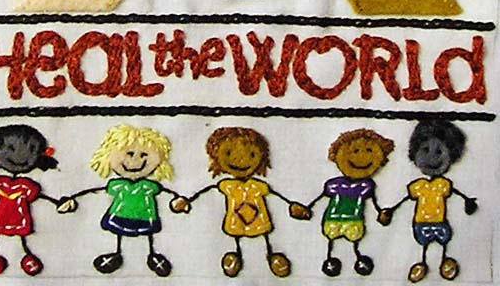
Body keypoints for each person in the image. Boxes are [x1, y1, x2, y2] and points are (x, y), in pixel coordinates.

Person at [170, 126, 309, 277]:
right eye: (229, 153)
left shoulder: (256, 186)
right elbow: (206, 190)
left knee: (265, 239)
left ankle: (272, 256)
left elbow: (278, 196)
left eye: (251, 154)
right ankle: (236, 256)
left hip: (258, 220)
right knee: (238, 238)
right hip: (236, 221)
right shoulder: (228, 186)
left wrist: (292, 206)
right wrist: (187, 200)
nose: (240, 160)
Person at [56, 125, 186, 276]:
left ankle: (152, 255)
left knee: (147, 236)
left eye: (144, 155)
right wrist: (72, 200)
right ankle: (117, 254)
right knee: (120, 234)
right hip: (121, 214)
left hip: (144, 216)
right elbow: (95, 191)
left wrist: (178, 201)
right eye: (129, 154)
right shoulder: (119, 185)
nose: (135, 161)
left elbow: (167, 193)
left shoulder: (148, 186)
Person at [377, 119, 478, 282]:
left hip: (439, 222)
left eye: (439, 152)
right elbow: (406, 199)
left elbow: (456, 193)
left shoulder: (443, 184)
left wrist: (468, 202)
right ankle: (423, 263)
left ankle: (444, 261)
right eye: (425, 150)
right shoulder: (419, 186)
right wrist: (391, 210)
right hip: (421, 222)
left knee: (443, 242)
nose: (432, 158)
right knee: (424, 244)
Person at [0, 124, 66, 276]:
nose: (19, 157)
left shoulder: (23, 186)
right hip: (0, 217)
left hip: (15, 218)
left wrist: (58, 202)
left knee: (19, 236)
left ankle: (25, 255)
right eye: (11, 149)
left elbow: (36, 194)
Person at [302, 129, 394, 277]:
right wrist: (306, 209)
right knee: (332, 240)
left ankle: (357, 259)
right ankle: (330, 260)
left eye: (369, 151)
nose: (361, 157)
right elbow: (319, 198)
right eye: (355, 151)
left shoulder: (365, 186)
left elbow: (375, 204)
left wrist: (382, 214)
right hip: (333, 219)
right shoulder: (335, 185)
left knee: (353, 240)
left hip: (354, 220)